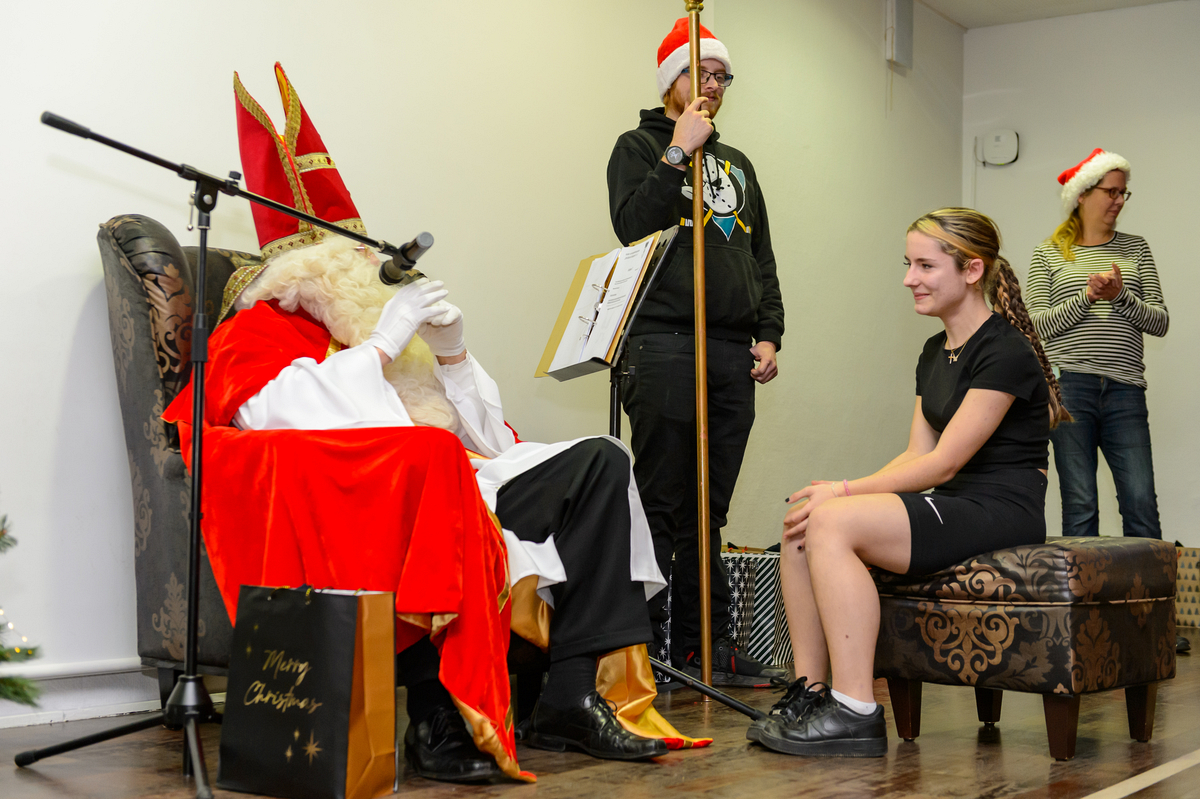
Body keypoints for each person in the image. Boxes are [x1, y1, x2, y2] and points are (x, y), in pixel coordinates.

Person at [166, 64, 705, 786]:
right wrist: (383, 343)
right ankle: (434, 713)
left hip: (459, 477)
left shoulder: (367, 320)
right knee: (430, 467)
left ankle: (573, 696)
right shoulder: (258, 329)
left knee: (601, 462)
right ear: (310, 271)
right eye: (352, 255)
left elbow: (484, 438)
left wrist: (450, 353)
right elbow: (278, 414)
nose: (369, 263)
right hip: (365, 498)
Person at [747, 208, 1070, 757]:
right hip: (955, 503)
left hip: (1002, 509)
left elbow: (943, 463)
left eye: (925, 266)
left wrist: (843, 492)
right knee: (802, 522)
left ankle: (856, 710)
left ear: (972, 270)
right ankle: (809, 694)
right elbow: (917, 452)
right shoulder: (933, 352)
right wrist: (837, 494)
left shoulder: (1005, 350)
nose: (908, 279)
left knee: (831, 520)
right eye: (908, 264)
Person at [606, 17, 786, 686]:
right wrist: (678, 152)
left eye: (721, 77)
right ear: (671, 82)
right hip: (663, 345)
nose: (713, 86)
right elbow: (632, 225)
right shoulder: (638, 146)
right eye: (701, 74)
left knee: (708, 512)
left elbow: (761, 257)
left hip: (731, 352)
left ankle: (701, 646)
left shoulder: (738, 164)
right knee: (660, 504)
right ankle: (643, 650)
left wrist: (769, 332)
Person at [1025, 149, 1169, 541]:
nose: (1119, 200)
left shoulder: (1136, 248)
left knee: (1140, 502)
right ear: (1083, 194)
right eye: (1111, 192)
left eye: (1124, 193)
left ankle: (1149, 584)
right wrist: (1087, 296)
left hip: (1125, 388)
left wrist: (1120, 296)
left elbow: (1160, 322)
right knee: (1080, 502)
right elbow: (1035, 326)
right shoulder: (1048, 253)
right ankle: (1082, 584)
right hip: (1068, 389)